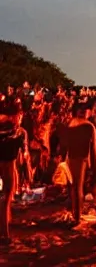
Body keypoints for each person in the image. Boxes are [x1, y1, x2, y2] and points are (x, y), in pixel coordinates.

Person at [62, 102, 96, 226]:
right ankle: (77, 217)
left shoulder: (70, 124)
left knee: (73, 187)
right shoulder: (89, 127)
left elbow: (64, 144)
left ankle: (74, 214)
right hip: (82, 158)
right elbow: (94, 148)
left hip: (71, 157)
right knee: (78, 187)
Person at [0, 97, 30, 245]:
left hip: (7, 163)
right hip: (7, 165)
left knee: (5, 198)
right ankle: (4, 233)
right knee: (6, 197)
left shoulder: (16, 130)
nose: (20, 118)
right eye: (19, 115)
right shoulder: (18, 131)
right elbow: (24, 154)